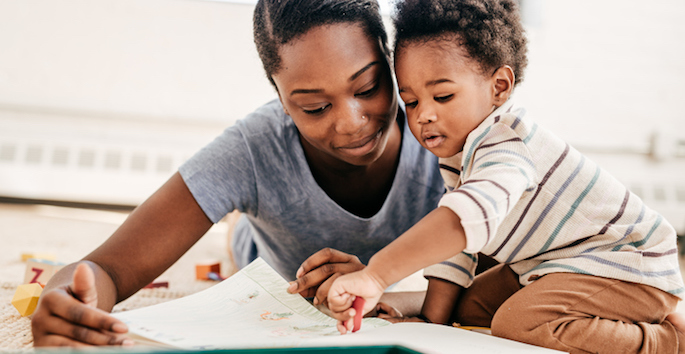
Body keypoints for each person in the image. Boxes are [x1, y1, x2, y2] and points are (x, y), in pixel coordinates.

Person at [30, 0, 446, 347]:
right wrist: (65, 302)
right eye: (315, 107)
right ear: (281, 99)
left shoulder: (445, 129)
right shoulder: (253, 149)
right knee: (243, 238)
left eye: (369, 87)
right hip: (263, 254)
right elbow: (106, 269)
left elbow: (498, 283)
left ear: (391, 62)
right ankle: (237, 226)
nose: (352, 122)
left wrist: (379, 289)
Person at [327, 0, 685, 352]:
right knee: (467, 307)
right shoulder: (462, 152)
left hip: (624, 264)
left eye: (443, 96)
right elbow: (460, 247)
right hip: (553, 265)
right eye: (412, 101)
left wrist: (376, 275)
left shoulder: (508, 143)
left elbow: (463, 219)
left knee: (517, 322)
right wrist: (432, 321)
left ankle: (667, 340)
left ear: (499, 87)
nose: (423, 116)